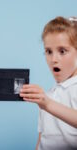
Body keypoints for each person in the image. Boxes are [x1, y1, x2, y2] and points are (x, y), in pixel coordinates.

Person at [20, 16, 77, 150]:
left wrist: (47, 103)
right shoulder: (49, 94)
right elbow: (43, 138)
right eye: (48, 51)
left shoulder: (48, 100)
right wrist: (45, 103)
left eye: (62, 51)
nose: (53, 59)